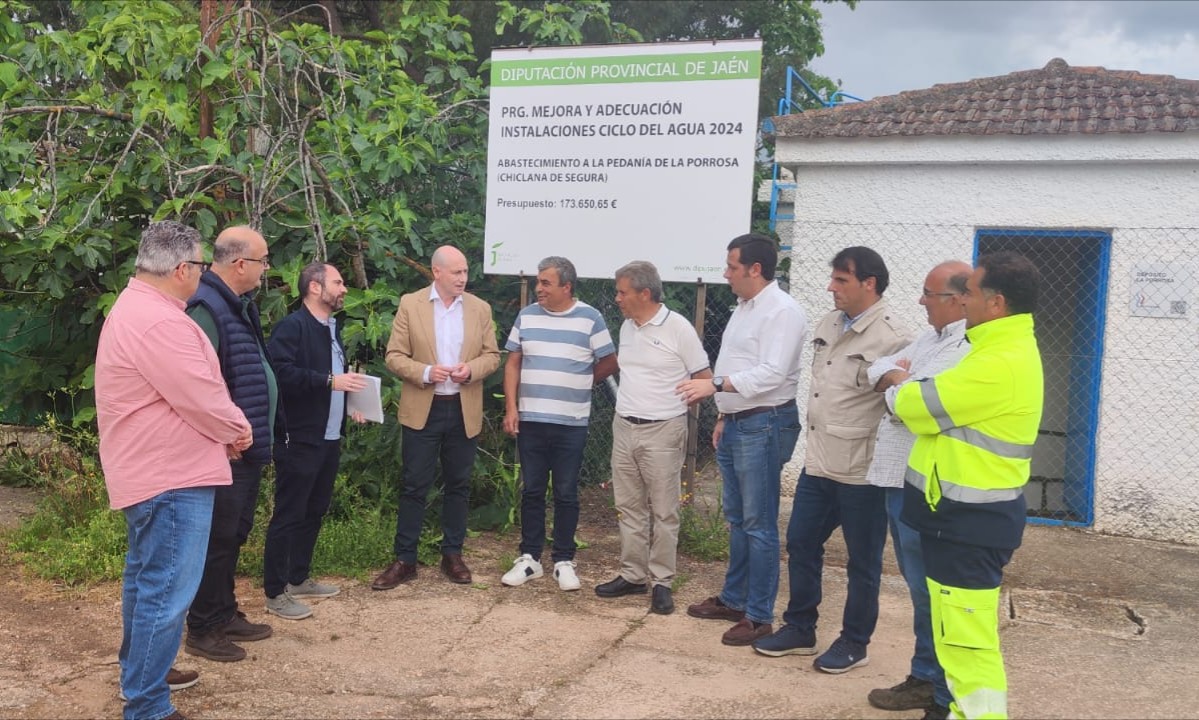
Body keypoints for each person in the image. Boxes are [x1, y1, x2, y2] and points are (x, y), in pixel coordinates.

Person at [96, 220, 252, 720]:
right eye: (203, 265)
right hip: (170, 477)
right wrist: (236, 428)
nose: (203, 274)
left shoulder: (140, 308)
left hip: (157, 472)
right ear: (183, 269)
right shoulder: (159, 321)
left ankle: (141, 674)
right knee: (166, 590)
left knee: (146, 582)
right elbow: (200, 395)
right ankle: (146, 704)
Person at [894, 252, 1044, 720]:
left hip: (970, 527)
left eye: (971, 292)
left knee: (968, 648)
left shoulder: (999, 361)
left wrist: (900, 382)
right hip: (957, 522)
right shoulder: (991, 349)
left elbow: (915, 405)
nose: (963, 300)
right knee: (955, 639)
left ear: (996, 303)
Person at [752, 246, 909, 670]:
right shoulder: (829, 323)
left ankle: (855, 642)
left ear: (869, 283)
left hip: (862, 471)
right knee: (801, 542)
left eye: (841, 280)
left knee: (863, 561)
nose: (831, 287)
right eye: (833, 278)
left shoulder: (894, 336)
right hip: (819, 464)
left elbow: (899, 404)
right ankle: (800, 628)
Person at [677, 233, 807, 646]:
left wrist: (715, 386)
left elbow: (771, 373)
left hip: (765, 423)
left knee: (759, 523)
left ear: (755, 269)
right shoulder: (745, 307)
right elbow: (740, 366)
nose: (725, 273)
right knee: (737, 518)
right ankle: (734, 600)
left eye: (732, 266)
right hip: (738, 420)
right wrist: (723, 414)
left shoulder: (782, 312)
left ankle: (759, 615)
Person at [863, 261, 972, 717]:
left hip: (928, 485)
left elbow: (916, 405)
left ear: (958, 299)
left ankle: (943, 692)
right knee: (917, 586)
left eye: (929, 293)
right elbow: (879, 369)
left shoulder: (965, 346)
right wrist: (895, 378)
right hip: (899, 478)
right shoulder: (930, 339)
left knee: (935, 590)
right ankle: (925, 675)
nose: (920, 301)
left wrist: (897, 385)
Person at [371, 246, 501, 590]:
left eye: (465, 272)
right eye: (456, 272)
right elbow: (394, 356)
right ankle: (405, 560)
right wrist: (427, 371)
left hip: (462, 408)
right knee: (415, 485)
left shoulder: (479, 309)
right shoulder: (410, 304)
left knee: (458, 484)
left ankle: (452, 554)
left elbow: (492, 356)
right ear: (436, 272)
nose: (463, 278)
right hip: (423, 408)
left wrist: (470, 370)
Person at [595, 261, 712, 615]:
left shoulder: (678, 328)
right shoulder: (628, 327)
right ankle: (632, 575)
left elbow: (704, 376)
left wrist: (681, 406)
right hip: (624, 426)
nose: (617, 299)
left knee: (664, 510)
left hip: (663, 429)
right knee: (628, 506)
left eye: (622, 292)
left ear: (644, 293)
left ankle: (662, 581)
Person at [183, 226, 277, 663]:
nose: (266, 269)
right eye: (262, 260)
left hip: (245, 442)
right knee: (218, 537)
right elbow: (199, 384)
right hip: (225, 448)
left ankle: (224, 612)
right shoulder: (207, 306)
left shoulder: (236, 304)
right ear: (241, 264)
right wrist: (225, 436)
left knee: (233, 535)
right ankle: (202, 627)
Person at [500, 256, 618, 591]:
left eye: (546, 283)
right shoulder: (527, 316)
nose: (539, 288)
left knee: (566, 492)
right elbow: (512, 363)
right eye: (538, 282)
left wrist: (581, 382)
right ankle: (530, 559)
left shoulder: (590, 318)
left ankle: (564, 561)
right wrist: (512, 408)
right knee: (532, 490)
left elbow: (610, 361)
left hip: (571, 423)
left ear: (566, 286)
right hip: (532, 419)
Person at [261, 262, 367, 620]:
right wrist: (329, 383)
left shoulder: (331, 329)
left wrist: (353, 401)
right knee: (289, 514)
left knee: (315, 509)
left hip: (329, 436)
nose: (344, 289)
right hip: (299, 436)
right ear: (314, 288)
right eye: (337, 282)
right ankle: (274, 592)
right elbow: (279, 373)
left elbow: (335, 379)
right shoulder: (293, 326)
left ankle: (298, 577)